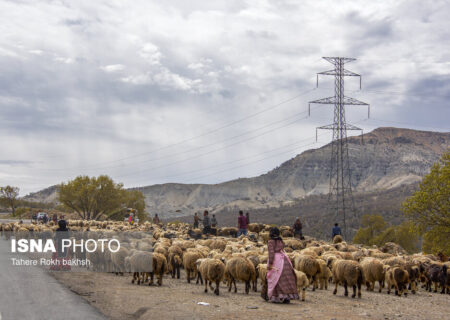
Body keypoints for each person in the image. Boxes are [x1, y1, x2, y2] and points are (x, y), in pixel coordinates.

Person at [265, 227, 299, 303]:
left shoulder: (271, 242)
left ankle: (276, 297)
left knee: (276, 278)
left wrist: (270, 264)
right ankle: (287, 297)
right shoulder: (281, 241)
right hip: (284, 259)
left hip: (276, 261)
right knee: (287, 278)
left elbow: (271, 253)